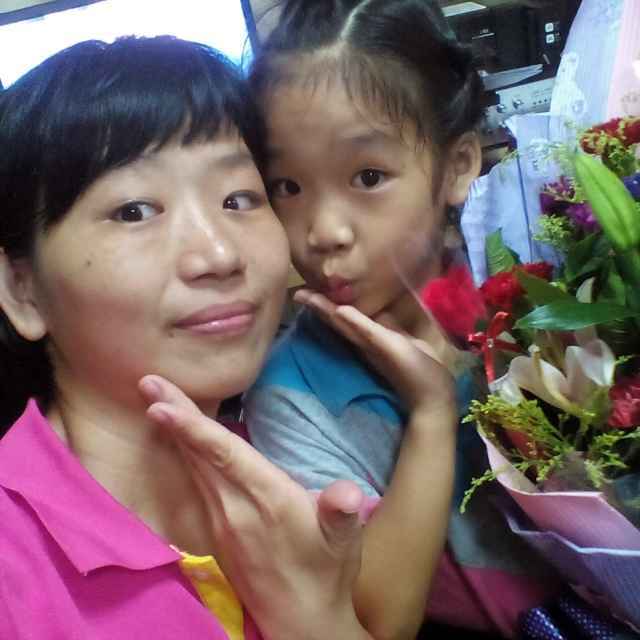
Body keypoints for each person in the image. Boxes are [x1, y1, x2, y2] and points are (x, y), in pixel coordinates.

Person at [0, 35, 441, 640]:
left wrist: (319, 622)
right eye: (134, 211)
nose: (219, 254)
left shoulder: (282, 469)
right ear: (22, 290)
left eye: (239, 199)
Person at [244, 1, 562, 638]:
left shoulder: (532, 289)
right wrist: (431, 413)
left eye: (368, 176)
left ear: (459, 165)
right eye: (287, 186)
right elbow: (380, 620)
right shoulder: (291, 397)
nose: (324, 231)